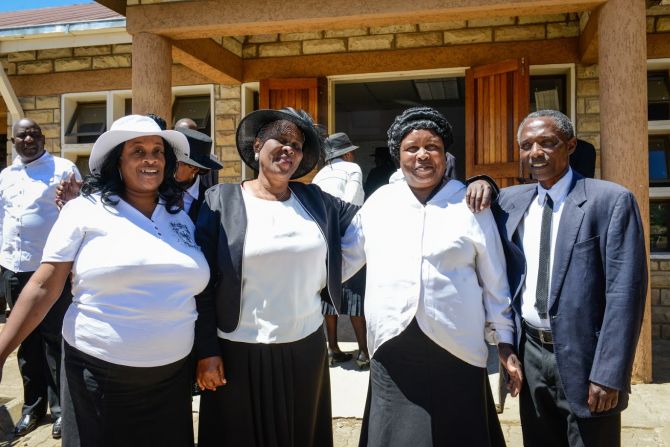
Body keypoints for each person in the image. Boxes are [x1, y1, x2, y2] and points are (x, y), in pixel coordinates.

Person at [0, 115, 209, 446]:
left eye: (158, 150)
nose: (151, 158)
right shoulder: (84, 211)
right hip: (98, 378)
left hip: (172, 380)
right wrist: (1, 352)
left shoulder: (180, 214)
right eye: (137, 151)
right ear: (118, 162)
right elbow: (44, 286)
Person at [341, 106, 523, 447]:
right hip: (394, 343)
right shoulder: (380, 203)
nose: (422, 156)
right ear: (399, 156)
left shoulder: (469, 203)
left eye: (432, 147)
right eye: (412, 148)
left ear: (445, 155)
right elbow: (345, 259)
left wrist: (505, 341)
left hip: (456, 343)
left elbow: (495, 279)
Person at [194, 107, 361, 447]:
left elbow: (371, 221)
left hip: (304, 345)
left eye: (297, 145)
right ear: (257, 145)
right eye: (280, 140)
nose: (289, 149)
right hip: (238, 349)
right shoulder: (221, 200)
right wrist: (206, 350)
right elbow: (201, 285)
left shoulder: (315, 200)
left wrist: (478, 186)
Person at [493, 110, 647, 447]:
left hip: (586, 358)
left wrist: (609, 373)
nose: (536, 152)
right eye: (526, 145)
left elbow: (626, 293)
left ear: (570, 145)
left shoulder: (610, 201)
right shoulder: (512, 201)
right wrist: (481, 183)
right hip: (531, 353)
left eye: (548, 143)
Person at [0, 118, 80, 439]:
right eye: (23, 135)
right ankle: (33, 408)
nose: (29, 139)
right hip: (12, 268)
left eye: (35, 134)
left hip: (51, 269)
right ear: (14, 141)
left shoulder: (63, 168)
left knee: (55, 340)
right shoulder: (5, 176)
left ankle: (61, 411)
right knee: (25, 343)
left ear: (43, 138)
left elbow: (78, 211)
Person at [312, 132, 369, 368]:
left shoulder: (319, 175)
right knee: (355, 294)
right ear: (346, 153)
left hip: (323, 235)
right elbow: (352, 202)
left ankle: (333, 348)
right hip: (348, 233)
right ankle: (364, 352)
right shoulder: (352, 168)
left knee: (329, 294)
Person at [173, 127, 223, 221]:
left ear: (194, 168)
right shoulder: (157, 192)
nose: (170, 166)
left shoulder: (211, 202)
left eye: (177, 163)